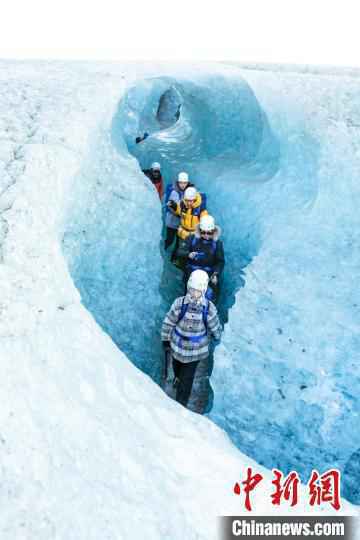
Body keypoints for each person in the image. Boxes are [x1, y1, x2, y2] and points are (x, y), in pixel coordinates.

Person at [161, 270, 221, 408]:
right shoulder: (179, 304)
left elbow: (214, 325)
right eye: (192, 290)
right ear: (188, 287)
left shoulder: (209, 308)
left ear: (204, 290)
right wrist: (165, 339)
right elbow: (168, 322)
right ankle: (177, 378)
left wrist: (217, 335)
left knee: (187, 379)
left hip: (195, 352)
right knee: (177, 368)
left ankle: (181, 404)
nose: (194, 294)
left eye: (198, 291)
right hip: (177, 346)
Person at [183, 215, 225, 303]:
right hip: (192, 270)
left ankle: (211, 307)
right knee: (190, 288)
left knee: (214, 289)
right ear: (200, 230)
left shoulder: (217, 244)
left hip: (208, 272)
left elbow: (220, 261)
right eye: (203, 232)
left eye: (209, 233)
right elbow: (179, 251)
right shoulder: (191, 239)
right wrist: (188, 254)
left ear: (213, 231)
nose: (206, 235)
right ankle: (186, 304)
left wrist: (216, 274)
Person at [167, 186, 208, 269]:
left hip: (193, 235)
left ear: (195, 199)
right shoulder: (183, 204)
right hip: (182, 233)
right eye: (187, 200)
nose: (189, 203)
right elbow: (179, 211)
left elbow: (204, 221)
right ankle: (178, 266)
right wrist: (174, 205)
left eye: (191, 201)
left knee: (190, 253)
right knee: (180, 251)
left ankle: (186, 268)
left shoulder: (201, 210)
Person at [164, 171, 194, 256]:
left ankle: (174, 257)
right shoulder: (174, 192)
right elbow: (170, 207)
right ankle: (164, 251)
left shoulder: (188, 192)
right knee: (170, 240)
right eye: (181, 183)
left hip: (181, 224)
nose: (183, 185)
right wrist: (182, 213)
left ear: (187, 183)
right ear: (178, 182)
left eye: (184, 183)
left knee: (178, 242)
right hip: (172, 223)